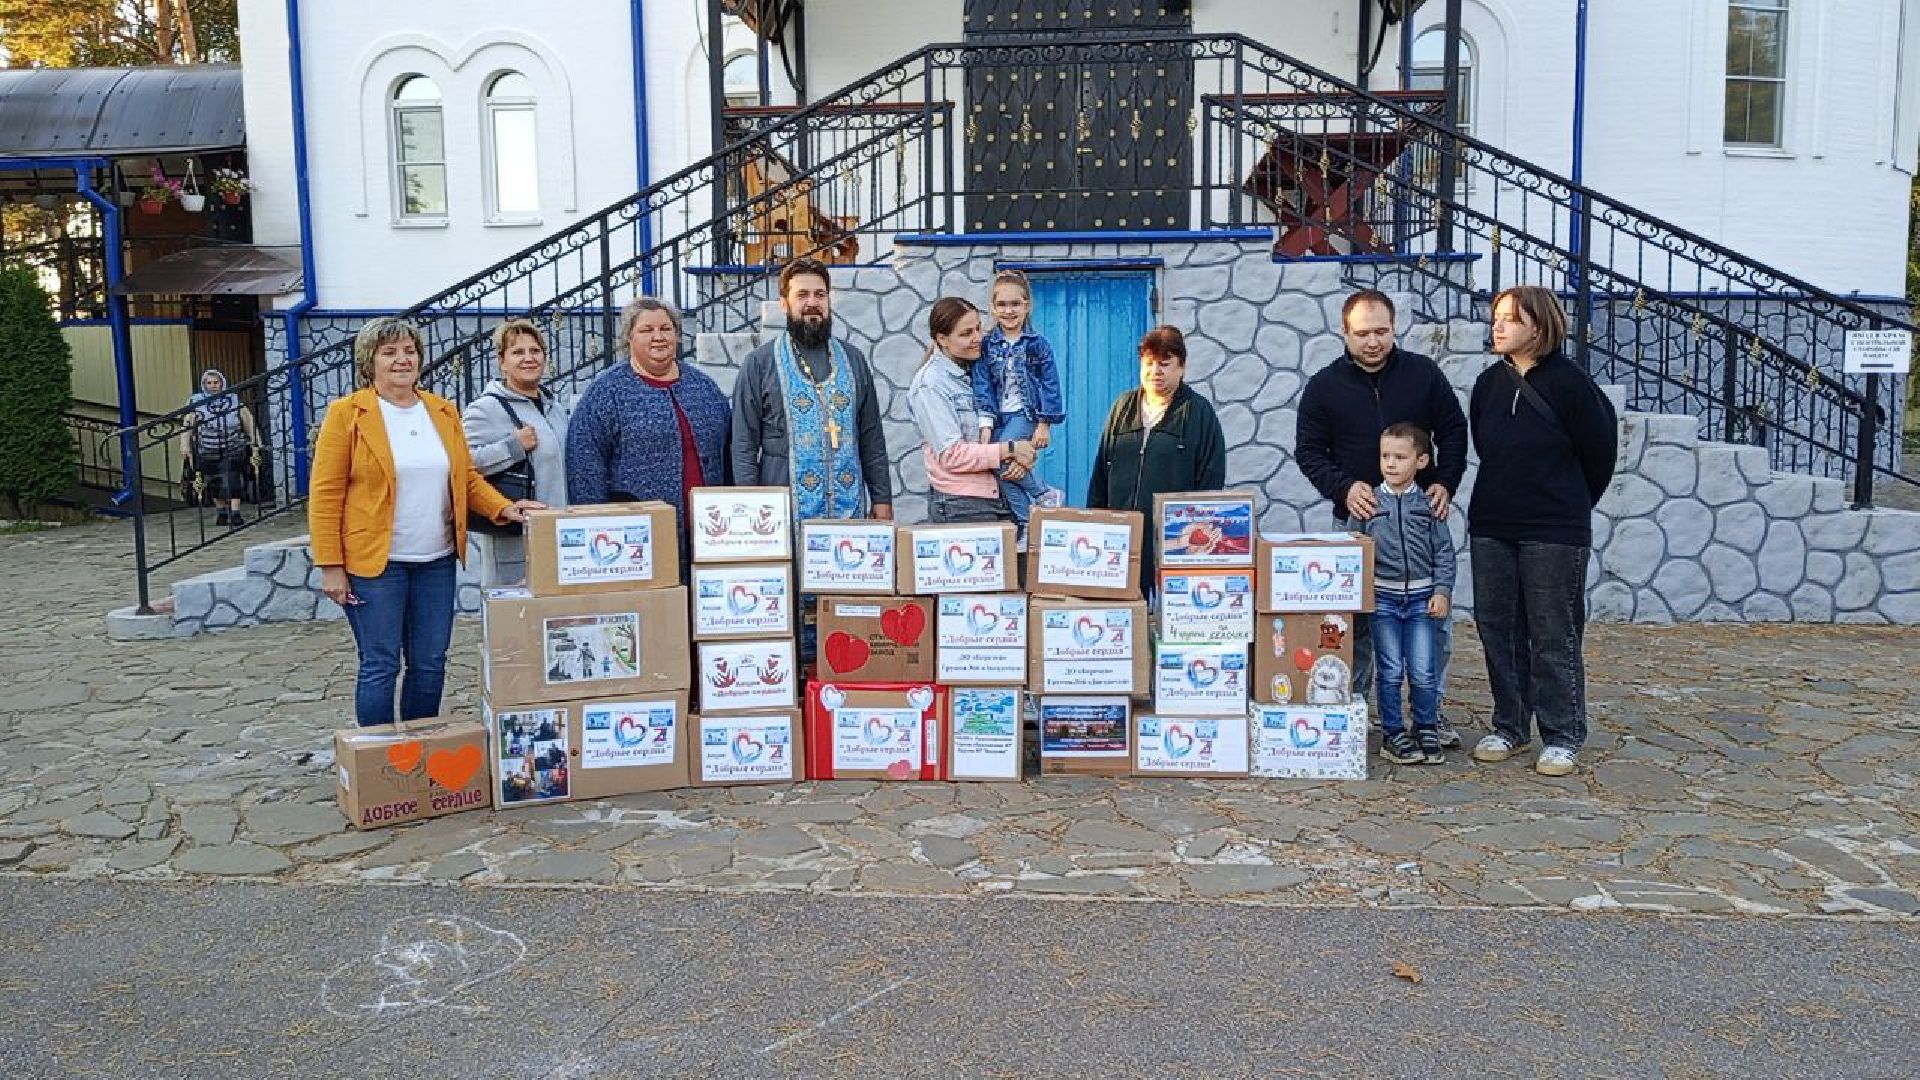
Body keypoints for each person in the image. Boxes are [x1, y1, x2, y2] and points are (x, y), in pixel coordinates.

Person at [309, 317, 542, 727]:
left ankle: (418, 755)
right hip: (374, 565)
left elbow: (465, 477)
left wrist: (503, 507)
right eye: (390, 352)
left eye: (409, 351)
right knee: (381, 664)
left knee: (430, 663)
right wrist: (331, 566)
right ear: (370, 362)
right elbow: (326, 494)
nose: (402, 360)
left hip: (435, 561)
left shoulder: (441, 410)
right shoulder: (347, 414)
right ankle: (378, 762)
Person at [1294, 289, 1468, 746]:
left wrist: (1445, 482)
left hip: (1419, 525)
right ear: (1344, 332)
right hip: (1355, 527)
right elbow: (1309, 451)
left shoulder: (1424, 375)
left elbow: (1453, 429)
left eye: (1382, 331)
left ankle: (1430, 714)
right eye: (1363, 333)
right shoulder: (1324, 386)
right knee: (1358, 627)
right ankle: (1357, 711)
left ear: (1394, 328)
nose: (1373, 342)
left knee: (1434, 628)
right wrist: (1343, 487)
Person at [1466, 285, 1619, 777]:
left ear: (1540, 326)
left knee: (1553, 632)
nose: (1499, 326)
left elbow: (1600, 456)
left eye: (1511, 318)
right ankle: (1510, 724)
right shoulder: (1488, 385)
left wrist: (1565, 505)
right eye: (1497, 317)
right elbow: (1486, 446)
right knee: (1498, 629)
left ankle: (1563, 733)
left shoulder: (1571, 385)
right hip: (1493, 524)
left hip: (1554, 528)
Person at [566, 298, 731, 569]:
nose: (658, 337)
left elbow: (727, 454)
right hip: (635, 542)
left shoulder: (703, 387)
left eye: (666, 329)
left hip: (708, 536)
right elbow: (585, 468)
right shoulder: (607, 392)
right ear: (629, 337)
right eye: (646, 330)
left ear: (677, 335)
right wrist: (596, 528)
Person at [729, 257, 893, 522]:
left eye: (820, 294)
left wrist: (882, 499)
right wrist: (750, 506)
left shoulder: (854, 360)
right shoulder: (760, 363)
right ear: (785, 303)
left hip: (846, 503)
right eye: (802, 295)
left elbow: (871, 437)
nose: (812, 303)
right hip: (781, 505)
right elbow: (744, 443)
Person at [1086, 325, 1227, 590]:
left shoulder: (1198, 412)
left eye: (1165, 364)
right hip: (1121, 539)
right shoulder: (1122, 407)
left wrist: (1196, 534)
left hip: (1175, 543)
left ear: (1182, 368)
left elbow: (1211, 478)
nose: (1155, 372)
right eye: (1149, 364)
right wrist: (1097, 522)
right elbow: (1101, 472)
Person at [1356, 423, 1457, 767]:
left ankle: (1426, 726)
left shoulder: (1429, 504)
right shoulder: (1369, 502)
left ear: (1422, 461)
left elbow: (1444, 552)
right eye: (1385, 456)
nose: (1391, 464)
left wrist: (1442, 591)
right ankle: (1393, 732)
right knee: (1389, 670)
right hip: (1382, 601)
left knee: (1423, 669)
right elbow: (1355, 551)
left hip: (1421, 601)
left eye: (1400, 457)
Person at [907, 297, 1037, 522]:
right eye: (966, 333)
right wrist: (1009, 450)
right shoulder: (931, 384)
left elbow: (1012, 419)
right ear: (942, 339)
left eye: (978, 328)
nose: (977, 338)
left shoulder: (982, 368)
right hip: (961, 504)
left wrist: (1021, 459)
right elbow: (951, 455)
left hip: (1003, 493)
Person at [461, 319, 571, 586]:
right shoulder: (485, 409)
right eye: (517, 352)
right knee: (515, 621)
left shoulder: (553, 407)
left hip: (559, 535)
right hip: (514, 542)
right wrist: (513, 447)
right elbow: (462, 465)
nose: (528, 359)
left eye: (535, 351)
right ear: (502, 361)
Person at [972, 269, 1064, 537]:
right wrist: (986, 422)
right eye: (1002, 304)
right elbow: (983, 384)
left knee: (1001, 461)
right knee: (1004, 470)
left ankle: (1044, 493)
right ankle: (1027, 525)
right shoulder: (987, 345)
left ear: (1027, 306)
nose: (1008, 311)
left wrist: (1045, 424)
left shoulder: (1038, 345)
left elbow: (1050, 384)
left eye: (1015, 304)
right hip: (999, 416)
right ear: (992, 307)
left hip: (1025, 414)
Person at [181, 368, 258, 527]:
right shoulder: (196, 401)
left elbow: (247, 419)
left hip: (233, 445)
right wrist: (185, 447)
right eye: (209, 383)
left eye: (216, 382)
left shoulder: (233, 399)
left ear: (222, 382)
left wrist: (254, 439)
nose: (213, 386)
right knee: (213, 481)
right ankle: (221, 512)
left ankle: (235, 513)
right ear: (204, 384)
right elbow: (188, 424)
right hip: (207, 448)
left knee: (233, 479)